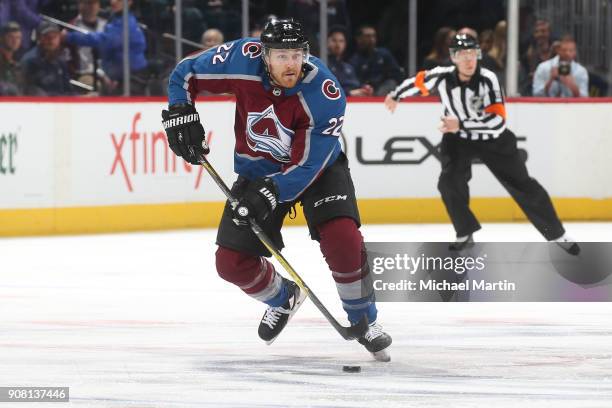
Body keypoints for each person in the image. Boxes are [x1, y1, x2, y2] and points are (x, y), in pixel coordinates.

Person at [161, 18, 392, 361]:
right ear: (265, 55)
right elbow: (184, 73)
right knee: (230, 263)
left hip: (319, 172)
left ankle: (364, 319)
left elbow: (308, 165)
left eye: (297, 55)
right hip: (258, 170)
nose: (291, 64)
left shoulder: (324, 92)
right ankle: (282, 297)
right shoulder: (241, 59)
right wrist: (182, 110)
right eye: (282, 56)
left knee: (343, 238)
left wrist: (272, 191)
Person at [384, 33, 579, 256]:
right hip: (457, 138)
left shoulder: (489, 79)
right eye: (463, 55)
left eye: (472, 54)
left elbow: (497, 122)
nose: (469, 60)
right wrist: (396, 95)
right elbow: (419, 82)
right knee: (449, 182)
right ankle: (465, 233)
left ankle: (556, 233)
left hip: (493, 140)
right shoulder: (443, 75)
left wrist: (461, 123)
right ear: (453, 57)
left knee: (523, 185)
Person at [64, 0, 148, 95]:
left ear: (129, 2)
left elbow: (104, 40)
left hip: (132, 77)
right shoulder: (116, 19)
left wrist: (69, 37)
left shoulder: (126, 22)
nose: (113, 2)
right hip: (117, 76)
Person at [20, 21, 73, 95]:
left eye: (55, 36)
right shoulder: (30, 61)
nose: (51, 40)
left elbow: (68, 90)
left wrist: (82, 98)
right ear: (38, 38)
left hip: (61, 103)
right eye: (47, 36)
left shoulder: (60, 60)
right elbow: (28, 92)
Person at [348, 24, 403, 96]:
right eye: (368, 36)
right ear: (359, 39)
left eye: (373, 36)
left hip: (384, 89)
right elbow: (354, 81)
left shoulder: (384, 54)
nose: (372, 39)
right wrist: (365, 87)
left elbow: (396, 74)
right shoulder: (353, 61)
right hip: (365, 91)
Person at [326, 26, 372, 96]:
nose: (338, 44)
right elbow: (325, 90)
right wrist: (349, 93)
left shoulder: (349, 67)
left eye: (341, 41)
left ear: (345, 44)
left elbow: (356, 85)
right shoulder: (323, 65)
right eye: (334, 40)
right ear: (327, 42)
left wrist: (364, 88)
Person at [0, 21, 23, 95]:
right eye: (11, 37)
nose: (15, 41)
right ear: (1, 38)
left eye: (18, 37)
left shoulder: (18, 59)